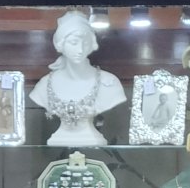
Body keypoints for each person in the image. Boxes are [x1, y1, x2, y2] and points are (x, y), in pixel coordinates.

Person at [31, 11, 126, 145]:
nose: (80, 49)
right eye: (73, 42)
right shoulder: (44, 85)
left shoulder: (110, 83)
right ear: (61, 44)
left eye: (85, 43)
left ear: (92, 44)